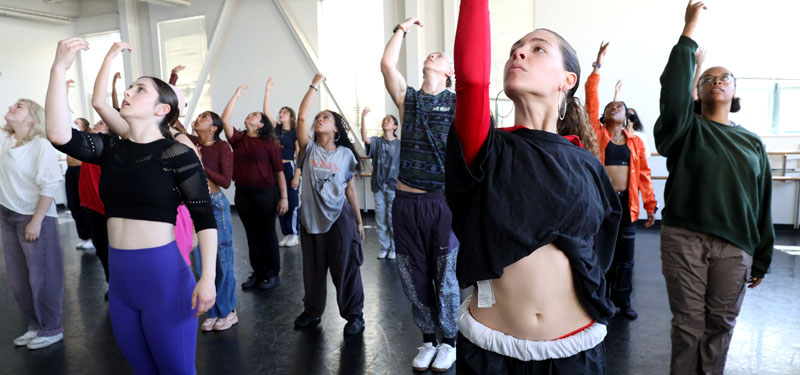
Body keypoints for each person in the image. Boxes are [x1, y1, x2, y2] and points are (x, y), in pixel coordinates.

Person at [446, 1, 622, 373]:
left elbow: (600, 251)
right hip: (492, 356)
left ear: (566, 79)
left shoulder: (587, 164)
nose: (519, 53)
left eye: (537, 48)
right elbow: (473, 81)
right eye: (514, 50)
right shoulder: (485, 148)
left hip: (576, 352)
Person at [46, 38, 217, 374]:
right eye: (131, 87)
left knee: (176, 370)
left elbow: (204, 218)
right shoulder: (112, 149)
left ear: (161, 109)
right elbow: (58, 134)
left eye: (139, 89)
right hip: (122, 281)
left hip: (164, 279)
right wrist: (58, 68)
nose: (127, 92)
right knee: (143, 370)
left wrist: (208, 277)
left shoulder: (176, 154)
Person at [653, 2, 774, 374]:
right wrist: (691, 28)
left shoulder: (753, 143)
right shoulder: (685, 130)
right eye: (708, 79)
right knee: (688, 325)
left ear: (735, 89)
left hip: (736, 245)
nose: (716, 82)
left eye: (724, 78)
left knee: (721, 324)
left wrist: (763, 255)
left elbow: (762, 202)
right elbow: (673, 92)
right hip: (685, 239)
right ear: (697, 91)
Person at [381, 15, 460, 372]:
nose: (433, 55)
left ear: (449, 72)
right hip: (405, 201)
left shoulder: (457, 102)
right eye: (430, 54)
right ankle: (429, 339)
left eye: (440, 55)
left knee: (444, 274)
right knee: (413, 273)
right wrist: (402, 29)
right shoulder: (408, 100)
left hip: (439, 201)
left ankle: (451, 340)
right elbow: (386, 64)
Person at [585, 42, 657, 320]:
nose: (615, 107)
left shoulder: (634, 141)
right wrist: (598, 65)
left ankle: (623, 301)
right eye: (610, 106)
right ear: (603, 116)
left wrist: (650, 205)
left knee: (626, 257)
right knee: (600, 254)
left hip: (627, 205)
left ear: (627, 115)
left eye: (620, 105)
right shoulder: (597, 133)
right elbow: (591, 97)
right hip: (602, 204)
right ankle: (600, 300)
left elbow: (644, 176)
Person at [292, 73, 366, 336]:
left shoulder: (346, 155)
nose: (318, 119)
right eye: (318, 117)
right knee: (312, 272)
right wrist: (313, 85)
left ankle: (354, 315)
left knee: (345, 268)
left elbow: (349, 189)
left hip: (339, 219)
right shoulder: (308, 150)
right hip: (311, 220)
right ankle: (312, 312)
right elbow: (301, 118)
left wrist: (359, 222)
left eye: (325, 117)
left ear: (336, 128)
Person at [1, 98, 66, 350]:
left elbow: (49, 184)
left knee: (43, 277)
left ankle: (52, 328)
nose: (11, 107)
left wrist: (36, 221)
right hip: (7, 215)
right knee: (19, 280)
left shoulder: (41, 145)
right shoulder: (6, 140)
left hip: (34, 216)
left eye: (19, 106)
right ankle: (35, 325)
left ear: (32, 119)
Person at [221, 85, 288, 291]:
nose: (251, 114)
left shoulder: (269, 144)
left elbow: (278, 171)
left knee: (267, 233)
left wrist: (284, 197)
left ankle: (272, 274)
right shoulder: (239, 140)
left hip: (266, 193)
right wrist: (235, 95)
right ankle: (257, 273)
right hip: (243, 193)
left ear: (260, 125)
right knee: (252, 235)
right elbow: (224, 120)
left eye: (255, 115)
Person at [183, 110, 237, 332]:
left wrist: (199, 162)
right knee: (201, 259)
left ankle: (228, 311)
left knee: (222, 259)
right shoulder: (192, 141)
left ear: (214, 127)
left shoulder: (222, 147)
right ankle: (213, 311)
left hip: (216, 203)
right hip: (195, 205)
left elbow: (226, 181)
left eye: (204, 117)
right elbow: (172, 120)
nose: (197, 119)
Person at [262, 77, 301, 247]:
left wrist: (297, 176)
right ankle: (285, 233)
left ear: (291, 116)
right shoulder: (276, 129)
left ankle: (294, 233)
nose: (281, 113)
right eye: (281, 111)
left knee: (292, 202)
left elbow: (299, 154)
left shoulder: (295, 133)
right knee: (279, 201)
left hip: (289, 167)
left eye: (285, 112)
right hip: (275, 169)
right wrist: (267, 91)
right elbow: (266, 111)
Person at [359, 107, 400, 260]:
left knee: (392, 217)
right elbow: (365, 138)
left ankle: (395, 248)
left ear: (395, 126)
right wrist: (363, 117)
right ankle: (384, 247)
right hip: (378, 185)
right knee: (380, 217)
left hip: (393, 186)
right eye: (384, 120)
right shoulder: (377, 141)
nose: (385, 121)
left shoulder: (400, 144)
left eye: (389, 120)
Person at [79, 120, 112, 300]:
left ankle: (117, 286)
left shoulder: (104, 146)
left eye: (100, 123)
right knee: (100, 248)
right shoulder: (89, 144)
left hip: (106, 208)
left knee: (110, 250)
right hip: (91, 205)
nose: (95, 124)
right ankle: (111, 283)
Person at [67, 116, 94, 250]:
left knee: (84, 205)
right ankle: (84, 236)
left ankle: (92, 237)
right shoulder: (70, 136)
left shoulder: (82, 136)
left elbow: (68, 121)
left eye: (77, 123)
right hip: (70, 171)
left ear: (83, 127)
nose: (74, 123)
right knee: (73, 204)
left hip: (80, 170)